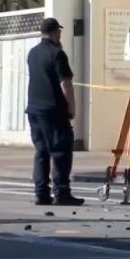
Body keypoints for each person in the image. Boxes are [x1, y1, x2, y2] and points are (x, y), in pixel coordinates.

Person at [25, 17, 84, 206]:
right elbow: (65, 83)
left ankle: (41, 193)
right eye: (59, 32)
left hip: (34, 109)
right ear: (55, 33)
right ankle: (62, 192)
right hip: (53, 110)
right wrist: (71, 106)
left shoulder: (32, 53)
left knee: (41, 151)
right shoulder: (57, 54)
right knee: (61, 151)